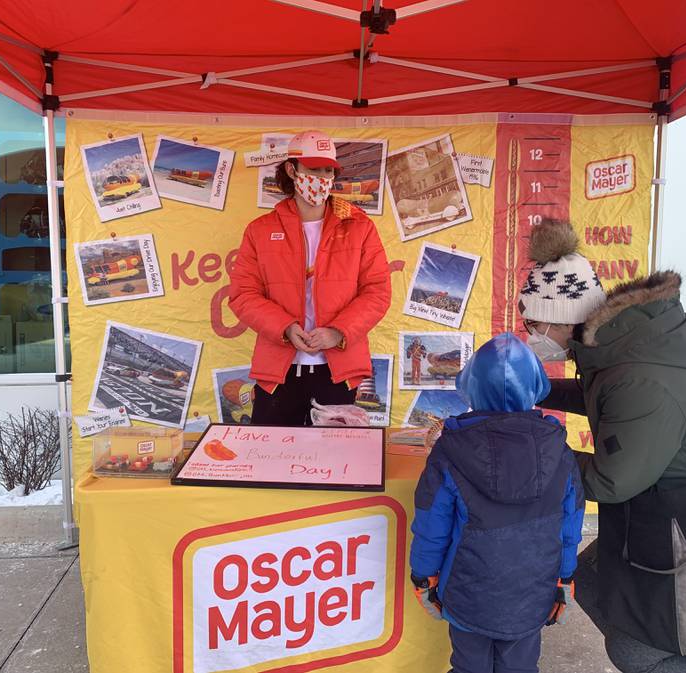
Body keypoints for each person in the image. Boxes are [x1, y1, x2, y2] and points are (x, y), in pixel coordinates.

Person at [519, 219, 686, 672]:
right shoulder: (619, 350)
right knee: (594, 579)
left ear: (562, 319)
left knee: (634, 648)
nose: (529, 335)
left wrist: (524, 452)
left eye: (533, 323)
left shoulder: (641, 376)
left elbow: (611, 481)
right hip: (681, 498)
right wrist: (538, 392)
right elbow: (609, 400)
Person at [409, 332, 585, 673]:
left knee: (469, 665)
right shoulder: (559, 451)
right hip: (533, 592)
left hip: (467, 591)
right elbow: (569, 524)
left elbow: (432, 523)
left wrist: (423, 576)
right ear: (535, 386)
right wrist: (565, 577)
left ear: (471, 385)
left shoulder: (450, 449)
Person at [228, 130, 391, 426]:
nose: (322, 177)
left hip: (339, 369)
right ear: (292, 170)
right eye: (314, 169)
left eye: (328, 170)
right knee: (270, 459)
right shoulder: (260, 230)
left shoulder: (359, 227)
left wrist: (338, 332)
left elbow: (377, 291)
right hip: (277, 371)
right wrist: (285, 328)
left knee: (337, 462)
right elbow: (242, 294)